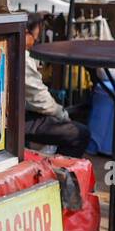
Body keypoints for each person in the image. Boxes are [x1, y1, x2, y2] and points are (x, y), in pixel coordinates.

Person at [23, 12, 91, 158]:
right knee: (79, 133)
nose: (34, 41)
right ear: (25, 33)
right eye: (34, 37)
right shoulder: (22, 57)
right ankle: (61, 176)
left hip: (18, 114)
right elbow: (38, 98)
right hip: (18, 119)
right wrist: (61, 113)